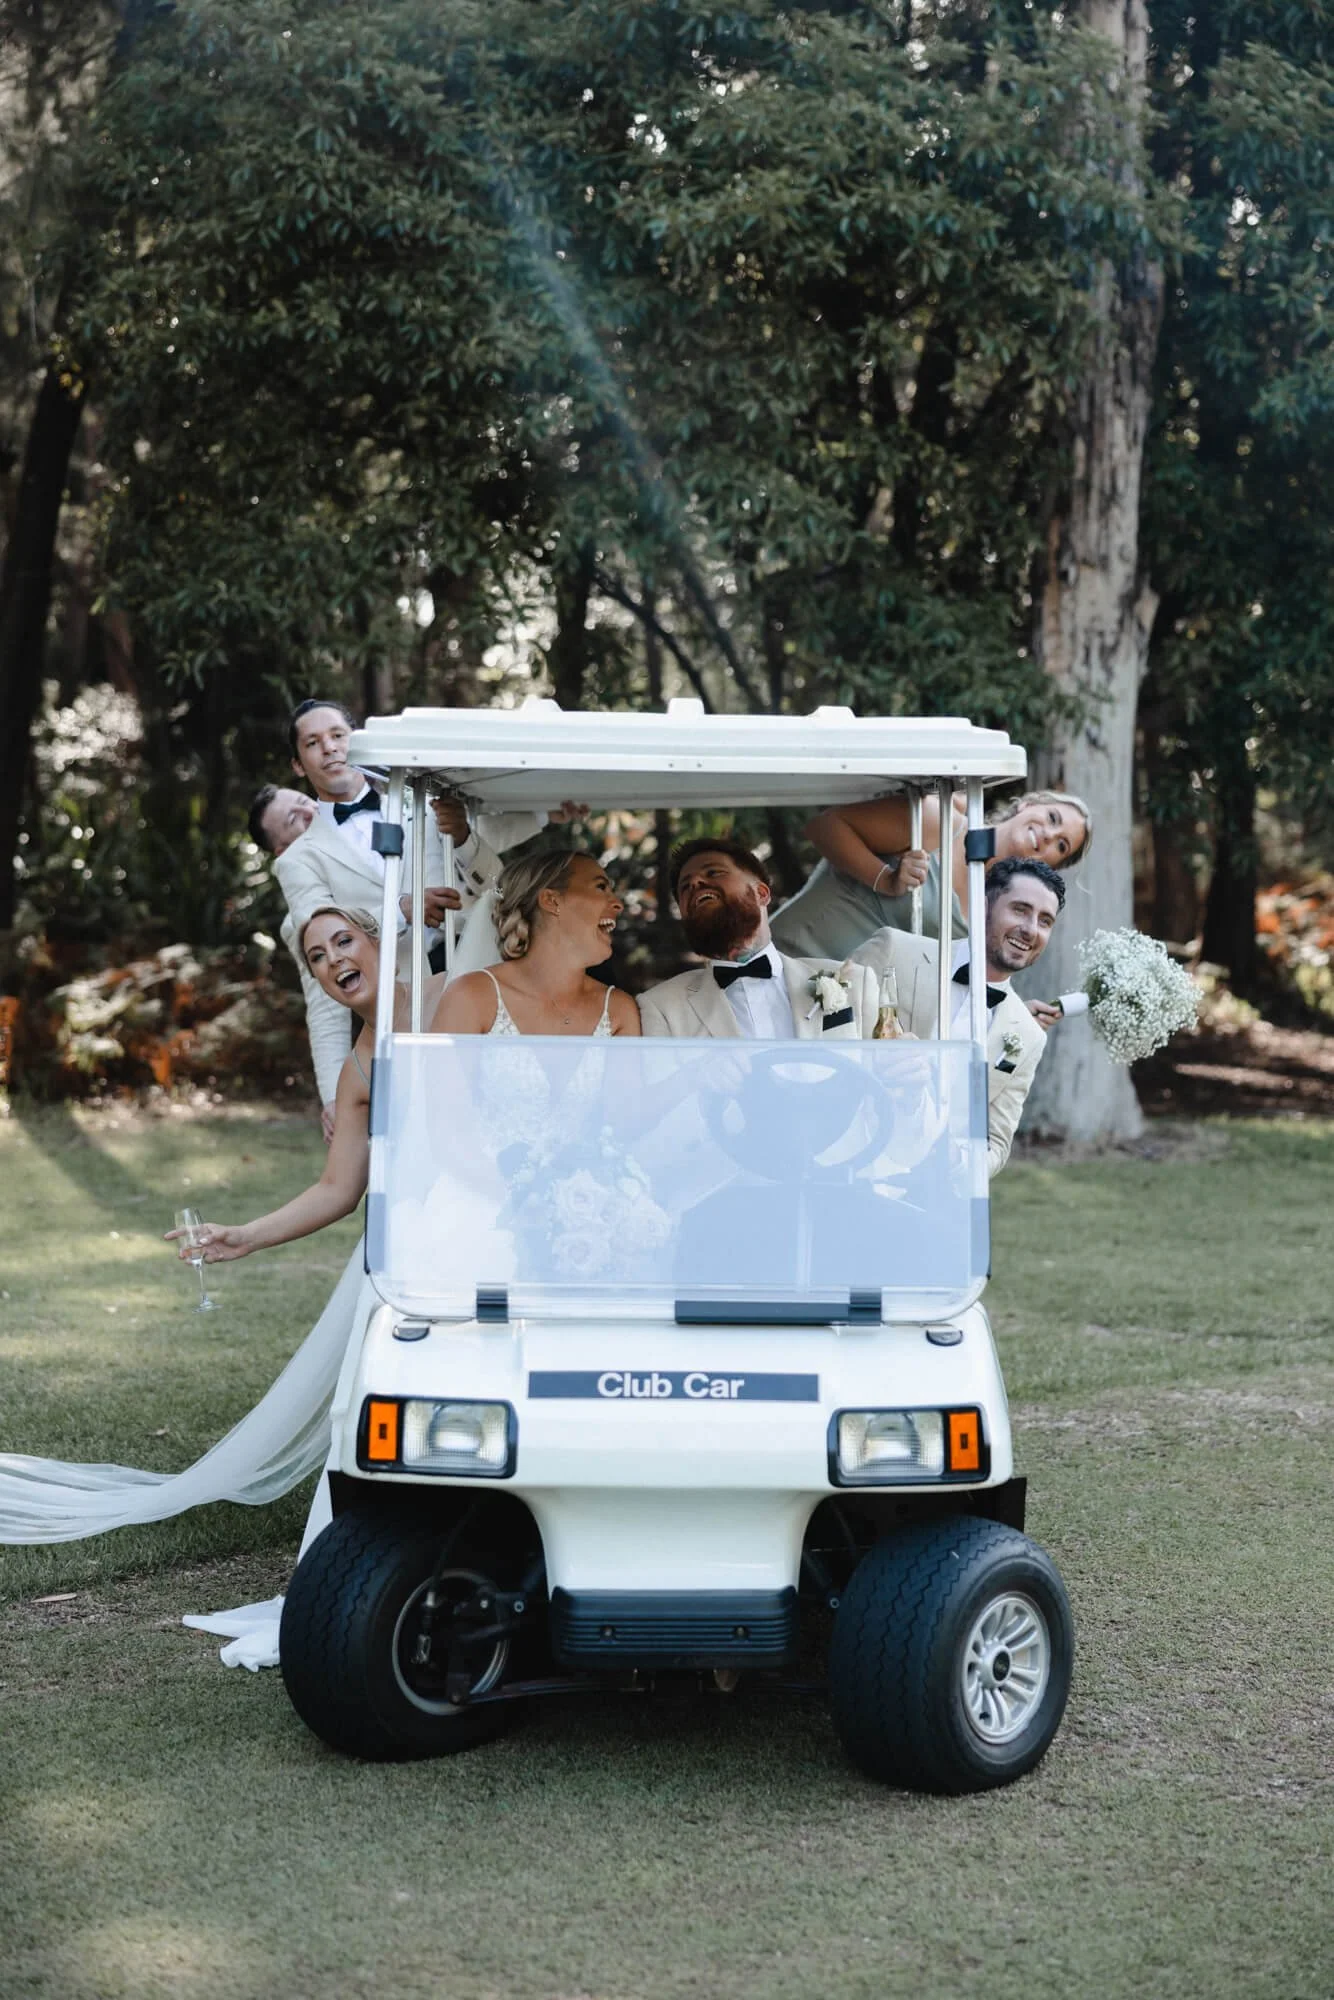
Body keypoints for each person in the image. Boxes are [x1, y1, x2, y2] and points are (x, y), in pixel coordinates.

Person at [0, 905, 420, 1664]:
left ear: (376, 939)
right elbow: (337, 1190)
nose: (334, 959)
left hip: (483, 1243)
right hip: (403, 1252)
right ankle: (366, 1575)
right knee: (362, 1418)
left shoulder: (457, 997)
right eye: (318, 956)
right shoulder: (357, 1073)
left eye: (344, 940)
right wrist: (244, 1235)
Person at [265, 698, 556, 1134]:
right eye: (313, 743)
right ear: (298, 764)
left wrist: (463, 836)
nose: (329, 748)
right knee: (431, 1131)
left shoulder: (421, 803)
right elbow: (322, 967)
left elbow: (492, 885)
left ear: (357, 741)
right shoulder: (298, 861)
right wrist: (333, 1096)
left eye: (337, 736)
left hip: (484, 975)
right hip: (408, 1012)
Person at [849, 856, 1065, 1176]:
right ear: (981, 907)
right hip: (850, 1164)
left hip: (931, 1194)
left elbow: (996, 1143)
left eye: (1045, 921)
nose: (1031, 929)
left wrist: (953, 1160)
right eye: (1020, 909)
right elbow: (825, 1035)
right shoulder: (895, 950)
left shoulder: (1029, 1036)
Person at [769, 786, 1091, 972]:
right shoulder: (943, 822)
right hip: (783, 961)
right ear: (1027, 805)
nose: (1049, 835)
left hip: (832, 1014)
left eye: (1061, 845)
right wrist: (886, 879)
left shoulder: (992, 908)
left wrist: (1015, 1018)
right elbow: (824, 827)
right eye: (1052, 818)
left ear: (1053, 865)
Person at [637, 838, 878, 1039]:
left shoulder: (854, 982)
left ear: (761, 893)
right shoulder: (662, 1007)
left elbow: (886, 1079)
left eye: (713, 872)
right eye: (685, 887)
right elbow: (662, 1095)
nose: (696, 883)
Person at [429, 849, 641, 1039]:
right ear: (551, 900)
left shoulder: (619, 1010)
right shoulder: (470, 997)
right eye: (601, 887)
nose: (618, 904)